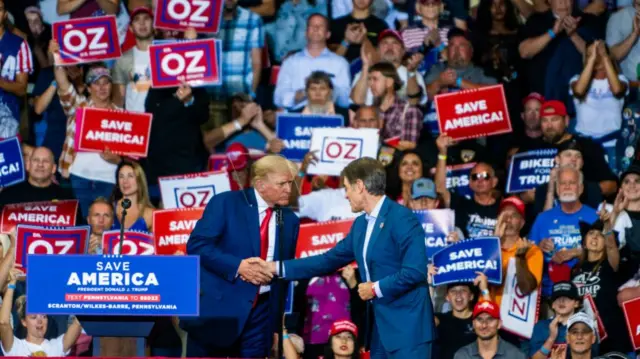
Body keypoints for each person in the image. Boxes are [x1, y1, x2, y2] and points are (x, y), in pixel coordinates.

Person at [267, 157, 435, 358]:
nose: (345, 195)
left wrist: (375, 288)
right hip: (379, 331)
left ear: (360, 186)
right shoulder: (361, 225)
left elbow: (415, 271)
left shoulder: (402, 218)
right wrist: (276, 268)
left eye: (346, 188)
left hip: (408, 331)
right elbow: (327, 260)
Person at [182, 155, 299, 358]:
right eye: (282, 183)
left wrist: (275, 327)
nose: (289, 189)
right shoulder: (226, 203)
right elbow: (197, 245)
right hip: (218, 311)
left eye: (290, 183)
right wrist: (238, 266)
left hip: (261, 316)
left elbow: (283, 276)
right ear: (261, 184)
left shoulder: (290, 220)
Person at [0, 270, 82, 356]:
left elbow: (78, 323)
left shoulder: (57, 347)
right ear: (24, 322)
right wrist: (12, 284)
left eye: (43, 316)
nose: (40, 321)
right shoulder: (15, 347)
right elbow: (3, 322)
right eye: (34, 317)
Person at [453, 300, 526, 359]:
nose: (484, 325)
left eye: (490, 319)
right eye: (479, 319)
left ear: (499, 324)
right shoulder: (462, 355)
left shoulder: (516, 356)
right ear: (473, 324)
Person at [110, 161, 154, 232]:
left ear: (139, 180)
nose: (125, 181)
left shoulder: (150, 214)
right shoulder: (109, 209)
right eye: (121, 176)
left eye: (130, 176)